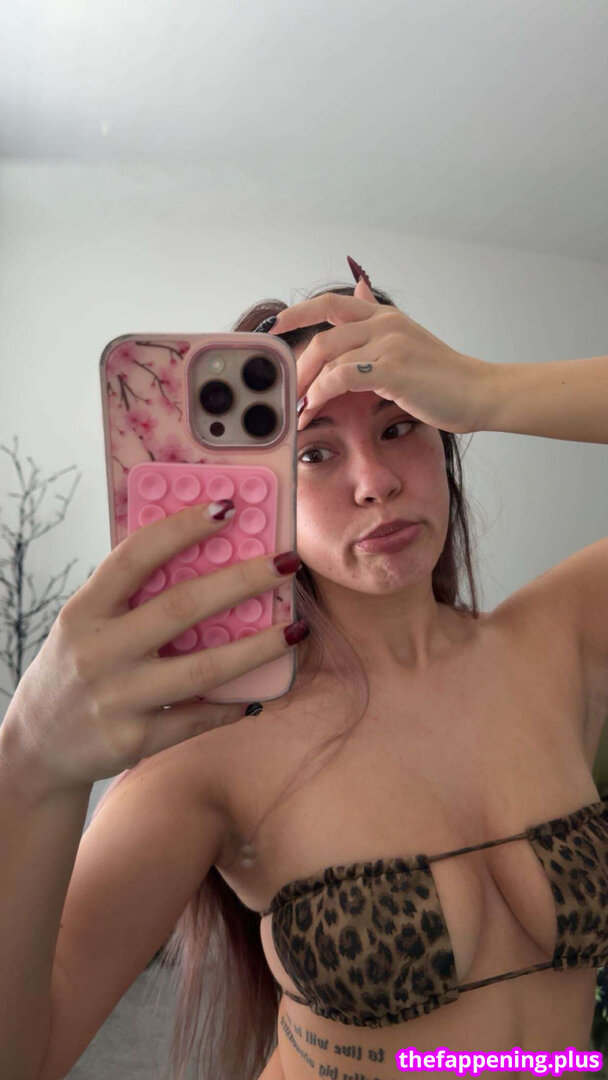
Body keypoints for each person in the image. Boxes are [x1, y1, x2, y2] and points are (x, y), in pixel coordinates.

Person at [1, 270, 606, 1080]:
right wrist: (27, 764)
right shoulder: (216, 744)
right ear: (263, 493)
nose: (375, 481)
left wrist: (488, 390)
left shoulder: (559, 638)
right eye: (314, 452)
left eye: (401, 426)